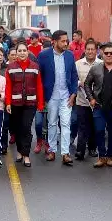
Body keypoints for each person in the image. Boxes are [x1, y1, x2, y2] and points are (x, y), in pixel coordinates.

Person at [81, 42, 112, 168]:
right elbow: (87, 84)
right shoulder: (96, 68)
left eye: (111, 53)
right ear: (102, 54)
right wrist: (91, 98)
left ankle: (109, 157)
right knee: (99, 131)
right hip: (98, 106)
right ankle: (101, 157)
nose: (109, 55)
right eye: (106, 53)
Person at [37, 30, 78, 165]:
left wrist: (73, 95)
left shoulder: (70, 56)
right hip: (51, 97)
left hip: (66, 96)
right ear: (54, 41)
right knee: (52, 123)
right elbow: (39, 77)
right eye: (63, 41)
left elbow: (73, 76)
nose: (66, 43)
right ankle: (52, 150)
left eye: (66, 41)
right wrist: (42, 97)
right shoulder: (44, 55)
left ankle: (65, 153)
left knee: (66, 124)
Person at [4, 41, 43, 168]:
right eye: (19, 51)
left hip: (30, 103)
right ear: (16, 53)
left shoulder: (35, 66)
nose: (22, 53)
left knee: (26, 127)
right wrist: (8, 103)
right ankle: (20, 151)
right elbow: (8, 86)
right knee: (17, 128)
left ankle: (26, 155)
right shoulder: (11, 67)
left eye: (24, 51)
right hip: (15, 103)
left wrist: (40, 103)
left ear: (28, 52)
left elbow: (39, 86)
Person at [72, 39, 99, 160]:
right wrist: (79, 83)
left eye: (92, 49)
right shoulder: (78, 64)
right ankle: (80, 150)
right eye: (88, 49)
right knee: (82, 126)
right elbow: (73, 79)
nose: (90, 51)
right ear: (85, 50)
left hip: (97, 102)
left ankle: (92, 148)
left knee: (94, 126)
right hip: (81, 101)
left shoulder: (101, 64)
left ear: (96, 50)